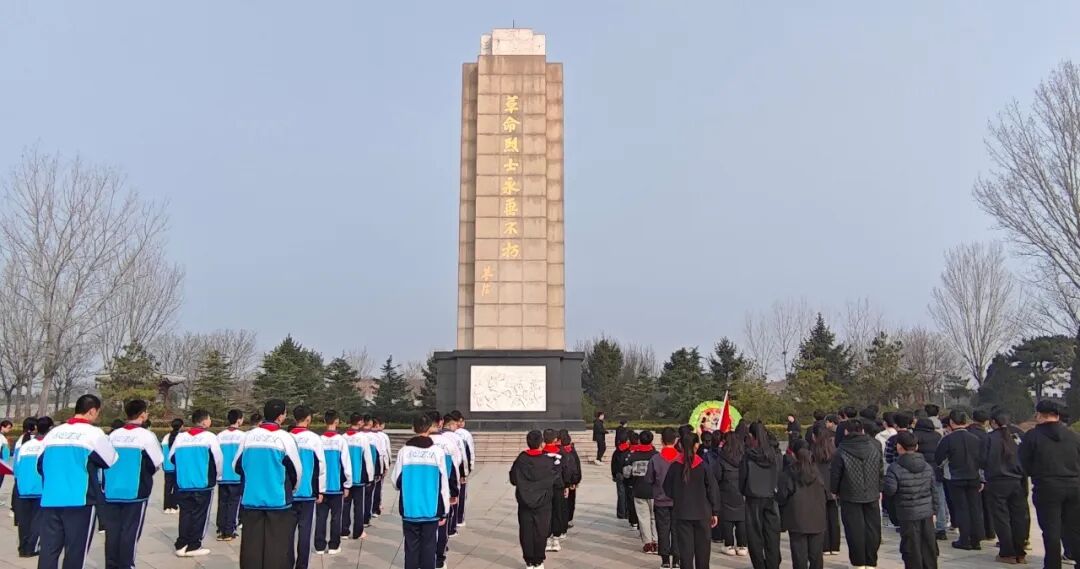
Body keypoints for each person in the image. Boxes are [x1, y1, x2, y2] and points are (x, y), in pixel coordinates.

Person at [37, 395, 118, 569]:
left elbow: (40, 465)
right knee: (75, 553)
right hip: (80, 501)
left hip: (51, 499)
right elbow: (110, 460)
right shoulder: (93, 433)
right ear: (92, 411)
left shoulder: (53, 433)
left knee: (48, 551)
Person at [235, 399, 303, 569]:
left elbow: (236, 465)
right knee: (277, 545)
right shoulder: (285, 438)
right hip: (277, 499)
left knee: (252, 545)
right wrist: (292, 488)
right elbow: (296, 470)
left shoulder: (248, 437)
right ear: (280, 416)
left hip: (252, 498)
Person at [102, 399, 163, 569]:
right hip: (135, 490)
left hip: (112, 490)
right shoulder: (146, 435)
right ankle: (126, 564)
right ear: (142, 414)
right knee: (130, 531)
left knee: (112, 531)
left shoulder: (113, 435)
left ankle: (111, 565)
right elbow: (157, 461)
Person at [1019, 400, 1080, 569]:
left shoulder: (1032, 436)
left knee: (1051, 530)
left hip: (1047, 486)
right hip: (1074, 486)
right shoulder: (1073, 436)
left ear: (1039, 415)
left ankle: (1053, 565)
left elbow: (1023, 463)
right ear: (1057, 416)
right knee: (1074, 528)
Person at [831, 418, 884, 569]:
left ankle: (858, 562)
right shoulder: (875, 446)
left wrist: (834, 490)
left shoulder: (841, 449)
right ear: (862, 430)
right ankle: (871, 561)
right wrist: (880, 488)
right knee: (873, 528)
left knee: (854, 530)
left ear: (846, 431)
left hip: (850, 494)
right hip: (872, 492)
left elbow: (836, 474)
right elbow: (880, 470)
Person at [169, 408, 223, 558]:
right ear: (205, 421)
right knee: (200, 515)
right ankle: (194, 545)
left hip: (184, 482)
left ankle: (181, 544)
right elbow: (218, 459)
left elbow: (172, 458)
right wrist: (217, 476)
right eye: (209, 418)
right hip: (202, 483)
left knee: (185, 514)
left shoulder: (181, 437)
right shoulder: (209, 437)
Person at [664, 432, 720, 569]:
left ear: (680, 445)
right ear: (696, 445)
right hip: (703, 513)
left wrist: (679, 498)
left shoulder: (674, 466)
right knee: (703, 554)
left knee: (685, 554)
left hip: (682, 513)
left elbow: (667, 489)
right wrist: (715, 511)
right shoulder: (704, 466)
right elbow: (713, 490)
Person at [884, 432, 938, 569]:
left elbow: (890, 491)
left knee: (911, 547)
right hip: (926, 512)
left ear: (899, 447)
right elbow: (934, 490)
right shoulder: (927, 466)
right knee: (928, 546)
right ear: (916, 446)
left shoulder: (894, 468)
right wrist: (935, 510)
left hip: (907, 513)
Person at [935, 410, 984, 551]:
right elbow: (982, 459)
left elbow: (939, 458)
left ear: (951, 422)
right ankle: (976, 540)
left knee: (961, 508)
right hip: (974, 477)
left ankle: (964, 539)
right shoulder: (975, 438)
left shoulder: (947, 439)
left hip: (955, 478)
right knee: (975, 508)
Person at [984, 412, 1029, 564]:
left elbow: (982, 459)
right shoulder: (1017, 436)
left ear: (993, 422)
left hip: (997, 481)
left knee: (1001, 518)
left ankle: (1007, 552)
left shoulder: (990, 438)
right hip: (1017, 480)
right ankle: (1020, 552)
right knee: (1019, 517)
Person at [511, 429, 556, 569]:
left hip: (525, 501)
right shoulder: (548, 460)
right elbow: (554, 478)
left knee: (526, 530)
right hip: (543, 502)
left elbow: (513, 479)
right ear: (541, 442)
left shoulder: (521, 459)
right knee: (541, 530)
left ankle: (529, 561)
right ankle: (538, 561)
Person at [778, 445, 827, 569]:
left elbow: (782, 496)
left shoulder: (790, 473)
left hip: (797, 520)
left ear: (794, 456)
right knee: (816, 557)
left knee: (799, 557)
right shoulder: (818, 472)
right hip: (817, 519)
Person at [740, 421, 781, 569]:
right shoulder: (775, 454)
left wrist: (744, 491)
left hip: (753, 498)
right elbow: (780, 474)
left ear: (752, 436)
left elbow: (742, 479)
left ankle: (759, 565)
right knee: (772, 535)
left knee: (754, 536)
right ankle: (773, 564)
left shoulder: (748, 455)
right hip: (771, 497)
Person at [290, 405, 326, 569]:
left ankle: (287, 563)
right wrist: (320, 490)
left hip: (289, 493)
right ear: (308, 419)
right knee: (305, 531)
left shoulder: (287, 437)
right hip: (307, 492)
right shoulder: (314, 439)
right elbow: (321, 467)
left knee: (288, 532)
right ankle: (302, 565)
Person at [12, 416, 51, 558]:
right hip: (40, 488)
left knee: (24, 521)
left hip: (23, 488)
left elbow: (16, 467)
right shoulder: (47, 446)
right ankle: (31, 548)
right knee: (37, 521)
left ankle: (23, 548)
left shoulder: (25, 445)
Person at [314, 410, 351, 556]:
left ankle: (319, 546)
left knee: (321, 517)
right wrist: (347, 484)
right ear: (337, 421)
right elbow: (346, 464)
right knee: (336, 518)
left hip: (321, 487)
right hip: (336, 486)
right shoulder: (341, 441)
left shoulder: (319, 440)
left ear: (324, 421)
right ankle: (334, 546)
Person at [647, 427, 681, 568]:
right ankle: (677, 560)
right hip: (678, 501)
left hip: (661, 500)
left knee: (662, 530)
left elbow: (649, 479)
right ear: (676, 440)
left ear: (661, 440)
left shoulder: (655, 459)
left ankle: (665, 561)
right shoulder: (681, 458)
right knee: (677, 530)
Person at [912, 417, 947, 540]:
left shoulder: (915, 436)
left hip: (920, 471)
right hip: (937, 471)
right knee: (940, 499)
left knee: (919, 499)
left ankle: (921, 526)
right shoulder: (938, 436)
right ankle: (941, 527)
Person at [341, 413, 374, 540]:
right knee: (359, 506)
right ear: (360, 422)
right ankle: (358, 532)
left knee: (346, 505)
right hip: (358, 477)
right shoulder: (362, 438)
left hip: (346, 479)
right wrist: (370, 477)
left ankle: (344, 531)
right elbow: (368, 459)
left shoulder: (343, 437)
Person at [717, 425, 748, 557]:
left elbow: (717, 476)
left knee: (727, 520)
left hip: (726, 491)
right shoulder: (744, 457)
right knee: (741, 519)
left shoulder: (722, 458)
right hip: (741, 491)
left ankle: (728, 545)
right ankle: (742, 545)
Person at [625, 429, 658, 553]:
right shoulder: (656, 455)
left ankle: (647, 543)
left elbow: (626, 473)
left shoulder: (633, 456)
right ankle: (656, 541)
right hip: (654, 491)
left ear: (639, 441)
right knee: (655, 517)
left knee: (643, 518)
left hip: (639, 490)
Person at [809, 425, 840, 556]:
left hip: (819, 486)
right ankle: (835, 545)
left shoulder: (812, 451)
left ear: (814, 436)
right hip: (832, 486)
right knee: (834, 516)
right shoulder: (834, 450)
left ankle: (825, 546)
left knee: (822, 517)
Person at [216, 409, 245, 542]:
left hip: (223, 475)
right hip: (236, 476)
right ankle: (229, 530)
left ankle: (221, 529)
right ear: (238, 420)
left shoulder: (220, 436)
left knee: (222, 502)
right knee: (233, 503)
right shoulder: (243, 436)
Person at [542, 429, 568, 553]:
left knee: (546, 512)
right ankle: (556, 539)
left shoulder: (541, 453)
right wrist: (567, 485)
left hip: (545, 488)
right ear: (555, 439)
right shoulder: (561, 452)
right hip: (558, 486)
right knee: (557, 512)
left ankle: (547, 539)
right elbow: (566, 470)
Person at [449, 411, 474, 527]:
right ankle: (459, 519)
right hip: (459, 470)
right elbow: (468, 454)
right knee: (460, 494)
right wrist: (467, 470)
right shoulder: (464, 434)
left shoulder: (443, 435)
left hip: (448, 470)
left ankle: (450, 522)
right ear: (459, 421)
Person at [558, 429, 582, 528]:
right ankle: (568, 519)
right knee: (570, 501)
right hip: (571, 482)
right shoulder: (572, 451)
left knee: (563, 502)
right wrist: (576, 480)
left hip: (562, 482)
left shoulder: (559, 451)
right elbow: (577, 466)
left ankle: (564, 520)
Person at [161, 418, 183, 514]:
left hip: (167, 466)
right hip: (177, 466)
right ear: (181, 426)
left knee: (167, 487)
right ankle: (174, 506)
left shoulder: (166, 437)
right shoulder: (181, 437)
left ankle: (166, 507)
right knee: (177, 487)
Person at [611, 431, 631, 521]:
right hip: (628, 474)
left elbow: (613, 464)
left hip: (619, 474)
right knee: (628, 493)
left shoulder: (616, 451)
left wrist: (614, 474)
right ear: (627, 440)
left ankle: (621, 513)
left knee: (621, 494)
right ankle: (627, 513)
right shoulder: (629, 450)